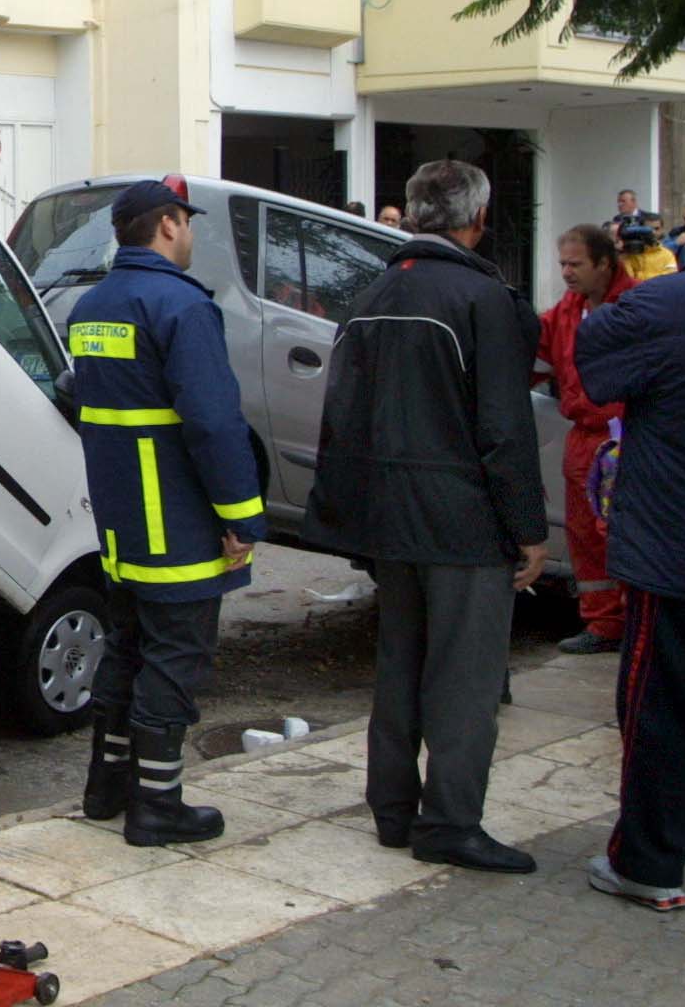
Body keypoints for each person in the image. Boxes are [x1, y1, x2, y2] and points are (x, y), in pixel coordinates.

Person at [305, 159, 546, 873]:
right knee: (465, 678)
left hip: (388, 520)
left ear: (412, 212)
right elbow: (505, 427)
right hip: (461, 521)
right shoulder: (482, 297)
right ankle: (450, 822)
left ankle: (392, 810)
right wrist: (528, 530)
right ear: (476, 219)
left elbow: (340, 418)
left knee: (400, 665)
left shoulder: (373, 292)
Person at [69, 175, 264, 848]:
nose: (192, 235)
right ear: (170, 224)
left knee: (127, 648)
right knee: (175, 660)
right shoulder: (181, 307)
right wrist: (243, 515)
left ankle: (106, 786)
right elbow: (213, 424)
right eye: (189, 223)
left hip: (121, 522)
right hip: (176, 518)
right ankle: (157, 806)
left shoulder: (91, 307)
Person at [574, 174, 685, 912]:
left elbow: (594, 357)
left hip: (684, 557)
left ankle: (648, 863)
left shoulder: (663, 305)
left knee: (666, 717)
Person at [538, 225, 635, 654]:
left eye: (575, 264)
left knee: (624, 535)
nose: (567, 272)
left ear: (603, 263)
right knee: (583, 533)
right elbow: (536, 354)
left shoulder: (636, 306)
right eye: (563, 264)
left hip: (624, 437)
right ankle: (603, 622)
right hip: (584, 437)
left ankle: (635, 623)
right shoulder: (566, 311)